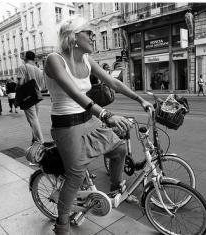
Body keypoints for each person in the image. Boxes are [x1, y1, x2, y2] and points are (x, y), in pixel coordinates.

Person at [44, 16, 153, 235]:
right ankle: (62, 224)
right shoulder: (54, 60)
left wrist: (139, 99)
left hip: (88, 119)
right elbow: (74, 94)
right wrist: (106, 115)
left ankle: (115, 190)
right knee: (75, 175)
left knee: (120, 148)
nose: (94, 37)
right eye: (89, 33)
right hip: (66, 125)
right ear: (75, 37)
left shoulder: (86, 59)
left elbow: (113, 82)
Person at [17, 51, 45, 144]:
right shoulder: (39, 70)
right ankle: (34, 138)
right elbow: (42, 85)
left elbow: (20, 83)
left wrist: (17, 91)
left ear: (25, 57)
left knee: (33, 119)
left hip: (27, 96)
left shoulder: (23, 67)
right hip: (37, 96)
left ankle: (41, 142)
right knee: (34, 118)